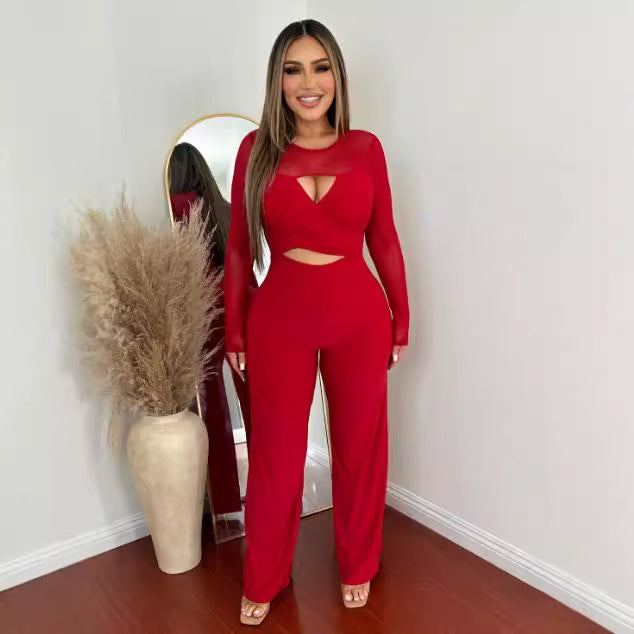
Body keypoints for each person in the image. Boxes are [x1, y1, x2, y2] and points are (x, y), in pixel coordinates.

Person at [223, 19, 410, 626]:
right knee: (276, 454)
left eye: (321, 67)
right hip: (280, 317)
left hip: (360, 315)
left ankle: (359, 563)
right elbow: (238, 247)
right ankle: (265, 574)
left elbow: (384, 240)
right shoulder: (256, 151)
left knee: (360, 448)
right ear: (277, 81)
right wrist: (235, 328)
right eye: (293, 69)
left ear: (337, 76)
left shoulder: (366, 149)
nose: (309, 83)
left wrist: (402, 317)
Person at [168, 142, 258, 516]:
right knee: (256, 402)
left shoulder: (176, 206)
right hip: (243, 301)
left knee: (213, 409)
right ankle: (269, 491)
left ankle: (224, 501)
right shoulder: (224, 207)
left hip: (205, 308)